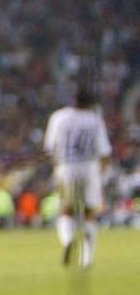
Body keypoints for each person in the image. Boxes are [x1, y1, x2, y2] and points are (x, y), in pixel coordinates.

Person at [43, 82, 112, 267]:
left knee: (66, 211)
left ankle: (68, 240)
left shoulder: (58, 118)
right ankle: (87, 259)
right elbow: (104, 152)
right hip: (90, 168)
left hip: (66, 167)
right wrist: (103, 175)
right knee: (90, 214)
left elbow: (50, 149)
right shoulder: (94, 119)